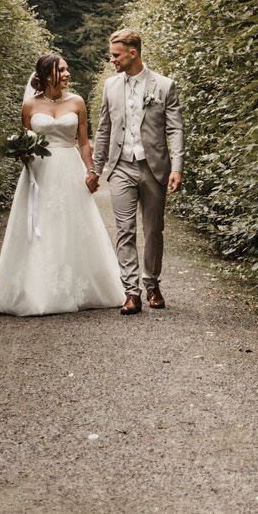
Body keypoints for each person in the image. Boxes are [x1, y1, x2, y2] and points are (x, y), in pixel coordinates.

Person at [0, 53, 123, 316]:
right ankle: (38, 289)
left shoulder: (77, 102)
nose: (68, 74)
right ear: (47, 75)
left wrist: (91, 171)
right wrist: (22, 153)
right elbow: (27, 139)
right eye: (62, 70)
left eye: (68, 69)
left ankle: (78, 288)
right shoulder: (29, 105)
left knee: (73, 225)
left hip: (69, 168)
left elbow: (82, 142)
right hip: (40, 172)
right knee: (40, 226)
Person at [88, 28, 183, 314]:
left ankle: (152, 284)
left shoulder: (165, 86)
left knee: (154, 229)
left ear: (133, 52)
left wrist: (177, 167)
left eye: (116, 55)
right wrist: (96, 167)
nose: (112, 60)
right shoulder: (110, 86)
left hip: (154, 167)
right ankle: (131, 292)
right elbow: (103, 129)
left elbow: (175, 129)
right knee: (124, 230)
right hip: (121, 167)